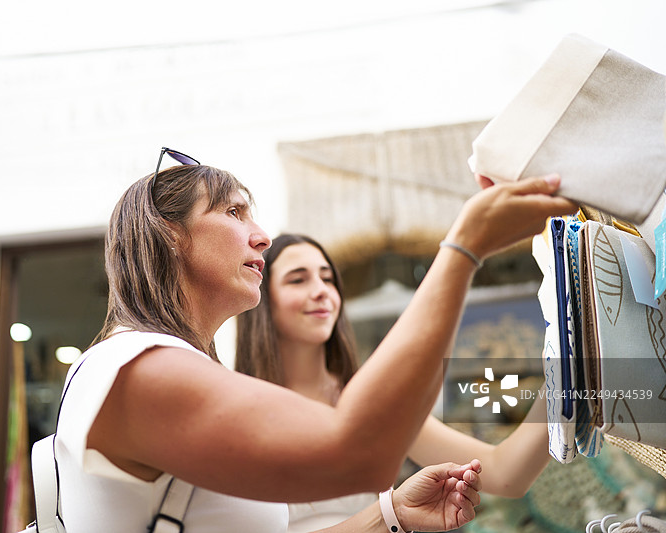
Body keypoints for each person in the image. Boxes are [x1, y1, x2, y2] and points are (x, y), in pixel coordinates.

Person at [54, 147, 576, 533]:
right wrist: (464, 248)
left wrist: (389, 515)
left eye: (329, 279)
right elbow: (361, 453)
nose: (260, 235)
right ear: (167, 233)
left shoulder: (172, 368)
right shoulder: (139, 365)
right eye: (234, 212)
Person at [235, 232, 552, 532]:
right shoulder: (237, 412)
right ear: (262, 297)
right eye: (298, 279)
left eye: (328, 278)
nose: (321, 290)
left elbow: (506, 473)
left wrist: (563, 379)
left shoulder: (369, 400)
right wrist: (391, 513)